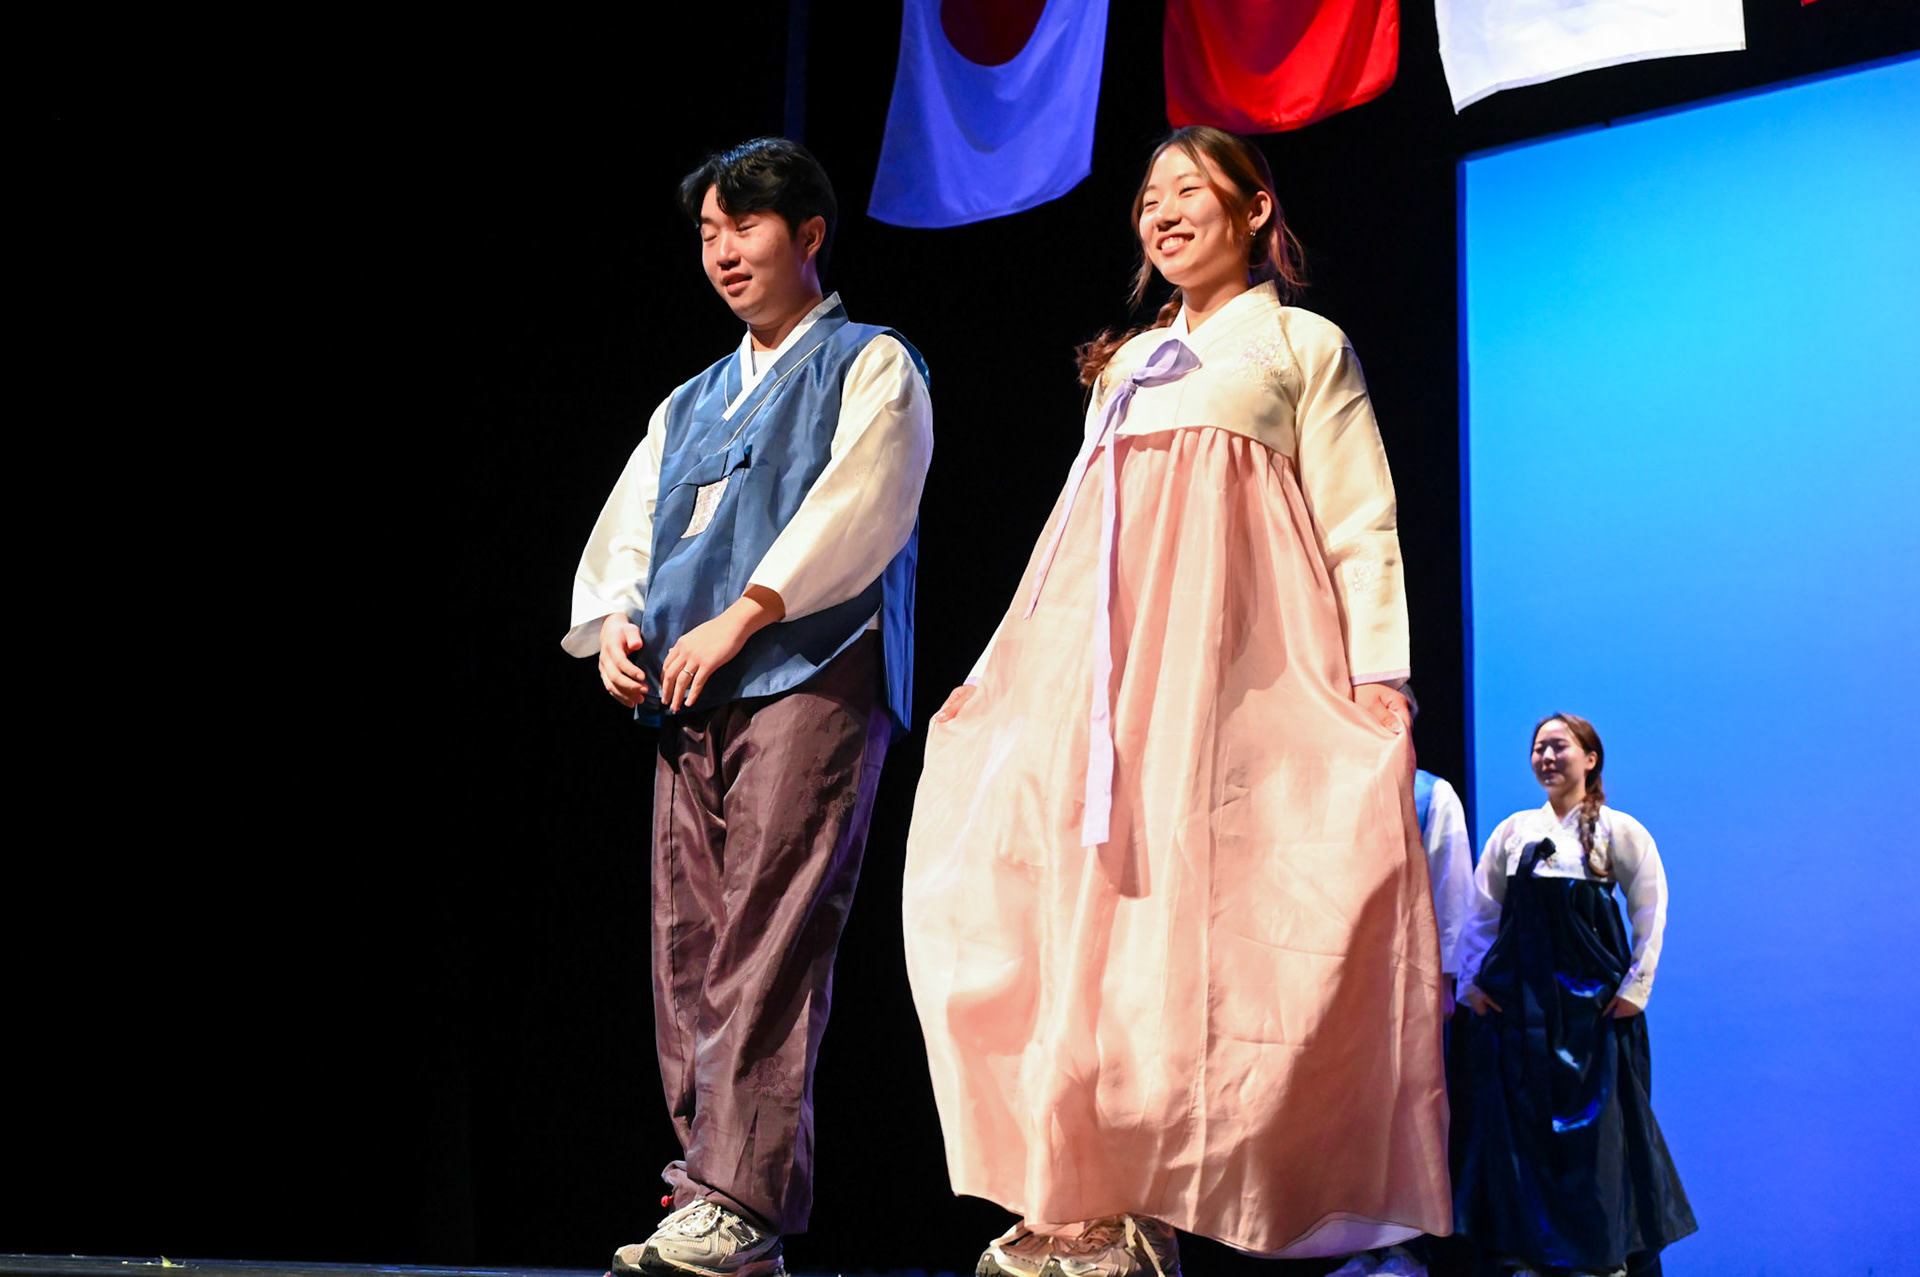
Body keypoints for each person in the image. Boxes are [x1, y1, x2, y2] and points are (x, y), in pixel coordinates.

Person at [902, 125, 1451, 1277]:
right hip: (1107, 673)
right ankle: (1080, 1194)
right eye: (1150, 197)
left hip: (1238, 669)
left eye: (1190, 190)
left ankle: (1156, 1198)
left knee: (1215, 922)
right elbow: (1068, 536)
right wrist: (1002, 665)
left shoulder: (1301, 345)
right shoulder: (1130, 366)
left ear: (1255, 209)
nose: (1163, 212)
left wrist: (1379, 677)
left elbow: (1361, 522)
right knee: (1080, 911)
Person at [561, 137, 934, 1277]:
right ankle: (705, 1190)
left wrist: (746, 614)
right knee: (689, 942)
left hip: (812, 671)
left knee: (768, 934)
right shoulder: (691, 401)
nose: (724, 252)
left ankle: (741, 1195)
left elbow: (860, 506)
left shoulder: (870, 363)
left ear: (809, 235)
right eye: (709, 233)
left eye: (747, 226)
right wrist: (616, 625)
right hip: (690, 693)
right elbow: (631, 534)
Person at [1452, 714, 1696, 1277]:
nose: (1546, 757)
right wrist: (1473, 983)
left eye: (1558, 746)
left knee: (1599, 1138)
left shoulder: (1619, 830)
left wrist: (1636, 988)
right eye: (1538, 748)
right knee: (1525, 1133)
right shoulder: (1514, 832)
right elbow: (1482, 912)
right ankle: (1529, 1255)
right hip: (1524, 1012)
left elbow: (1650, 909)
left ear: (1590, 758)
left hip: (1592, 1015)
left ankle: (1601, 1255)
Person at [1329, 767, 1476, 1277]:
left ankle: (1409, 1247)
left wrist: (1447, 977)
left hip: (1410, 976)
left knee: (1410, 1112)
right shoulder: (1343, 782)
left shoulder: (1431, 794)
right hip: (1348, 976)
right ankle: (1361, 1244)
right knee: (1354, 1112)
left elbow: (1452, 891)